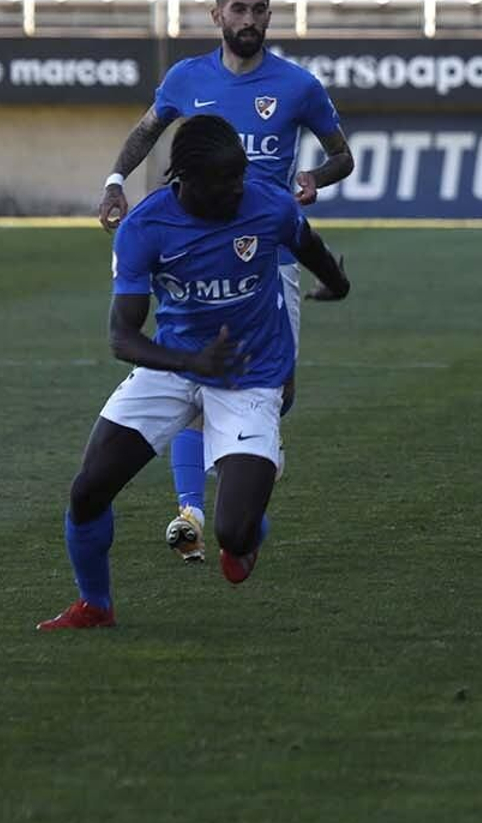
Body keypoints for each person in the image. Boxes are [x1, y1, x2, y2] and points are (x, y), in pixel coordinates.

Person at [40, 115, 351, 630]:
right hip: (175, 364)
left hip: (251, 372)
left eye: (239, 178)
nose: (236, 191)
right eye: (223, 183)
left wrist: (337, 283)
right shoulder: (145, 229)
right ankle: (95, 605)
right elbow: (122, 336)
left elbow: (307, 243)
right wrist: (190, 363)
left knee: (233, 534)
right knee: (88, 490)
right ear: (183, 180)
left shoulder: (266, 203)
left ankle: (246, 527)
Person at [97, 0, 354, 562]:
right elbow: (145, 131)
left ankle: (248, 469)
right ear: (216, 15)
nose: (248, 20)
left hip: (269, 249)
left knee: (269, 385)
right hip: (192, 249)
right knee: (192, 365)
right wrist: (115, 180)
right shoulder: (187, 78)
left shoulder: (297, 86)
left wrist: (314, 175)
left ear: (269, 13)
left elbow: (342, 156)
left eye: (258, 9)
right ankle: (190, 508)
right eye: (237, 9)